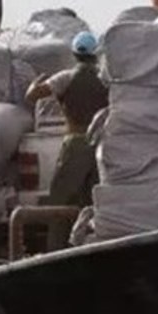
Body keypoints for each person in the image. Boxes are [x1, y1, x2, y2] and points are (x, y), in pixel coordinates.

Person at [25, 32, 110, 248]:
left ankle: (56, 250)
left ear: (74, 54)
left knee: (60, 202)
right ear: (96, 54)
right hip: (101, 146)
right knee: (93, 203)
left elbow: (32, 96)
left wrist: (35, 83)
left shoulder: (65, 78)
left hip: (75, 144)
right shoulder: (106, 79)